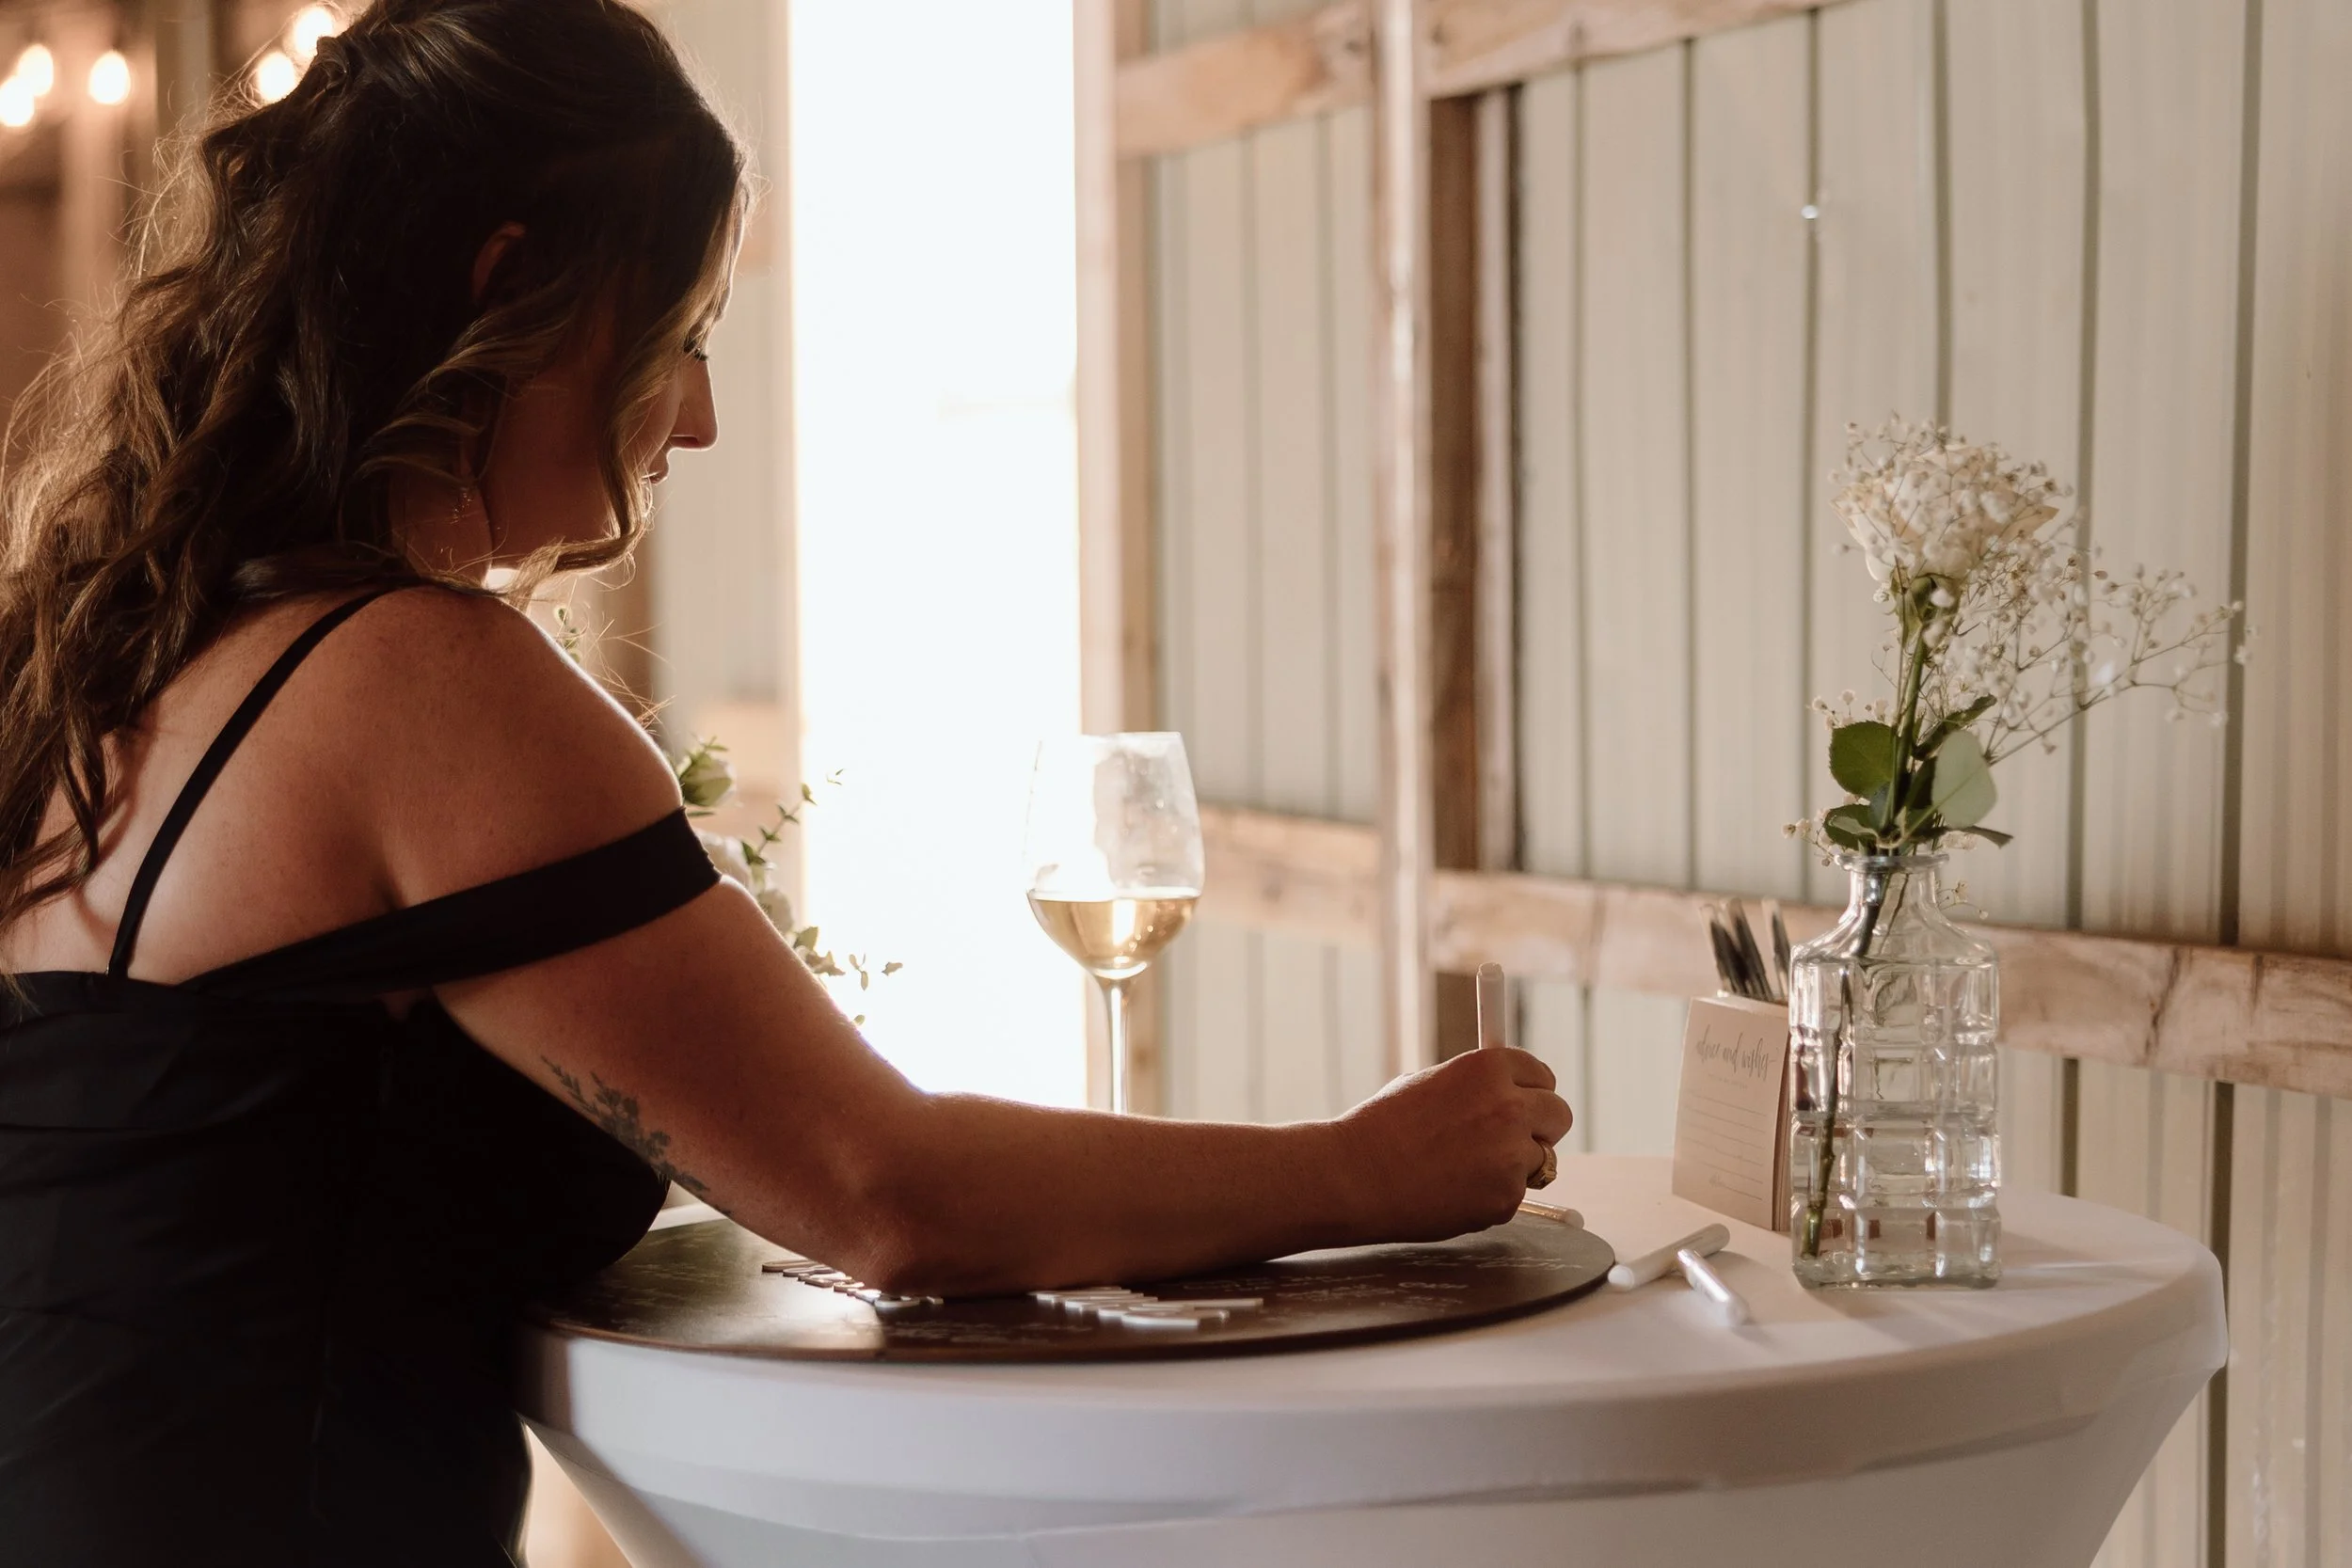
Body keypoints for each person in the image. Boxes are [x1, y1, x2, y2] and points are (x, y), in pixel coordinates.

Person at [0, 2, 1571, 1562]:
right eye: (679, 336)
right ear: (508, 286)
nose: (696, 416)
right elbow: (882, 1189)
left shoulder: (128, 663)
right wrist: (1363, 1167)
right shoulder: (417, 677)